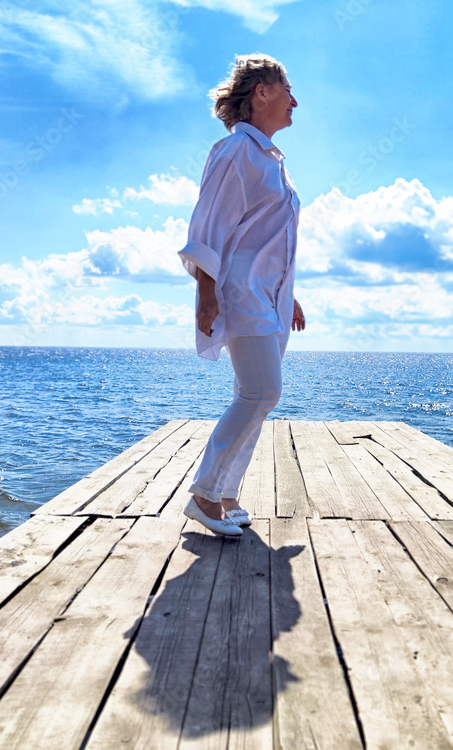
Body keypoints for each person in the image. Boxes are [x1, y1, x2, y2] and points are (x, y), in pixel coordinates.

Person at [177, 53, 304, 537]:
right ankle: (205, 495)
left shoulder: (273, 161)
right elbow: (209, 226)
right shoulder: (235, 152)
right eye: (286, 89)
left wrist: (289, 295)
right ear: (262, 93)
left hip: (270, 297)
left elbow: (270, 239)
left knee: (253, 395)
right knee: (261, 391)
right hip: (240, 292)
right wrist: (208, 293)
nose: (295, 101)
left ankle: (227, 494)